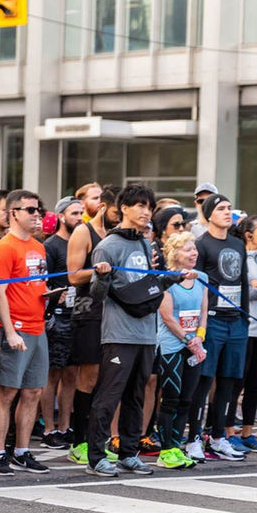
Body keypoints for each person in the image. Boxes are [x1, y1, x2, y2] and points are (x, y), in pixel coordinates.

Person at [86, 184, 187, 476]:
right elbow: (97, 294)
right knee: (109, 396)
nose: (145, 212)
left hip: (146, 334)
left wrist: (174, 278)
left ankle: (129, 452)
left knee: (137, 396)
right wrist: (103, 277)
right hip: (119, 334)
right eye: (140, 206)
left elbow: (147, 287)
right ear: (125, 209)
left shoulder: (145, 243)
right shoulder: (108, 246)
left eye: (149, 207)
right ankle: (95, 456)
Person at [0, 189, 51, 476]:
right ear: (14, 213)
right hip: (15, 329)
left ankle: (22, 451)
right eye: (30, 210)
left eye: (39, 210)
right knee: (6, 392)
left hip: (38, 326)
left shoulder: (38, 247)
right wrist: (10, 331)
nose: (37, 215)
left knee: (34, 391)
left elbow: (36, 284)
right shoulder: (5, 247)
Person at [190, 193, 251, 460]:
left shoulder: (238, 244)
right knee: (204, 380)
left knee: (228, 381)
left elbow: (244, 281)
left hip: (236, 320)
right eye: (222, 209)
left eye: (229, 208)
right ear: (209, 214)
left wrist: (245, 315)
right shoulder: (201, 244)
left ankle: (218, 436)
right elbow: (199, 284)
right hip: (212, 320)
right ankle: (193, 437)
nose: (228, 212)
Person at [65, 184, 119, 464]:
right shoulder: (83, 232)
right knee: (88, 376)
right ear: (101, 208)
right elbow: (73, 276)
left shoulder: (119, 233)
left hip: (116, 313)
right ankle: (79, 441)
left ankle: (98, 439)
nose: (118, 218)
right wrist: (98, 270)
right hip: (88, 312)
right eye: (115, 212)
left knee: (108, 378)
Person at [156, 231, 208, 467]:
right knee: (171, 398)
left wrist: (199, 337)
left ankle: (177, 447)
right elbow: (167, 317)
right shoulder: (167, 279)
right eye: (188, 249)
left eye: (194, 249)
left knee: (187, 398)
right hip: (171, 345)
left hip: (194, 346)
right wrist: (189, 340)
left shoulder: (202, 277)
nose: (193, 253)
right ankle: (165, 450)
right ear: (175, 254)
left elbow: (203, 313)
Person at [40, 196, 84, 450]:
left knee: (72, 375)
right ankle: (48, 428)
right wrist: (56, 294)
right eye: (74, 213)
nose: (79, 217)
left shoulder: (84, 242)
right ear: (60, 216)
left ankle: (65, 426)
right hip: (56, 317)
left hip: (79, 315)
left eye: (81, 213)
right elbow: (41, 282)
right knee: (52, 374)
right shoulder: (51, 245)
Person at [233, 216, 257, 453]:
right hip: (244, 328)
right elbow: (243, 292)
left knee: (254, 383)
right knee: (237, 382)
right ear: (248, 235)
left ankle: (248, 432)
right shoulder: (241, 260)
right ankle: (228, 432)